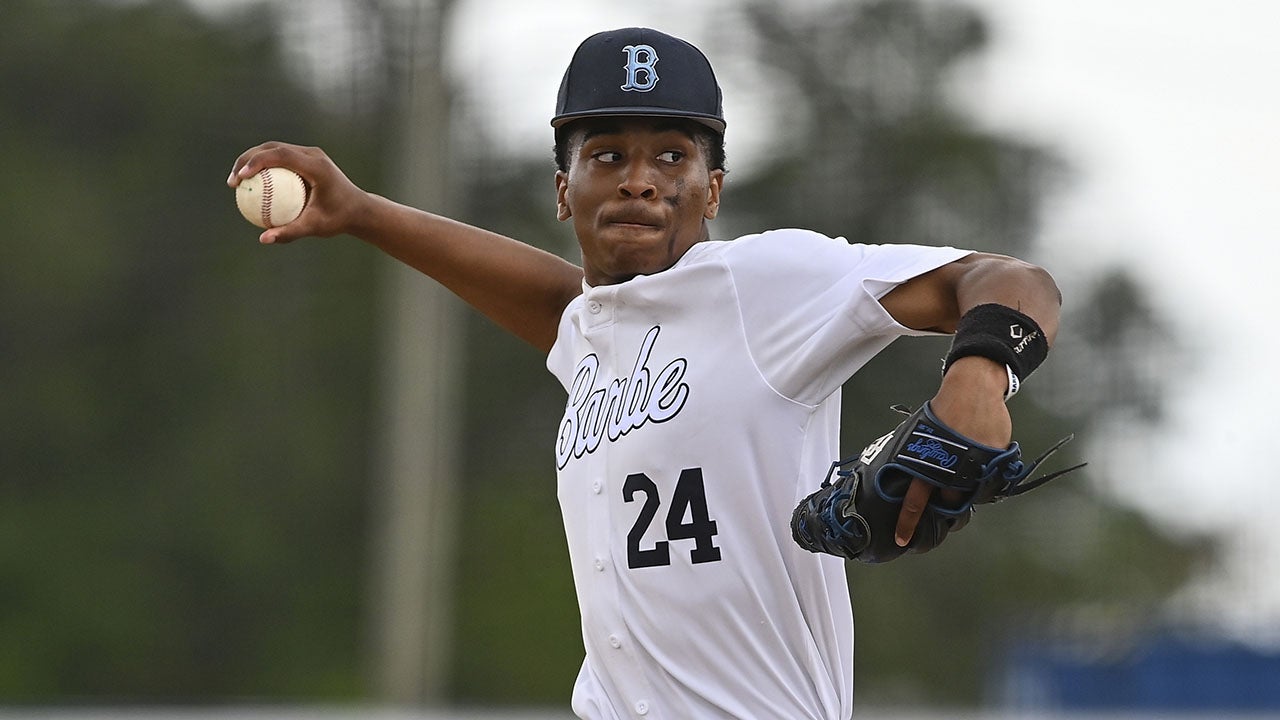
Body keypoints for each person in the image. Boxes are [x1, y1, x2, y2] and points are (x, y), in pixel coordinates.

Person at [229, 27, 1062, 720]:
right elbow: (562, 299)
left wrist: (981, 376)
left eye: (673, 154)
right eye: (607, 154)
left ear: (713, 189)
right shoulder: (592, 334)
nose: (640, 178)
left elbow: (1012, 280)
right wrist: (365, 212)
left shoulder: (763, 287)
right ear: (564, 190)